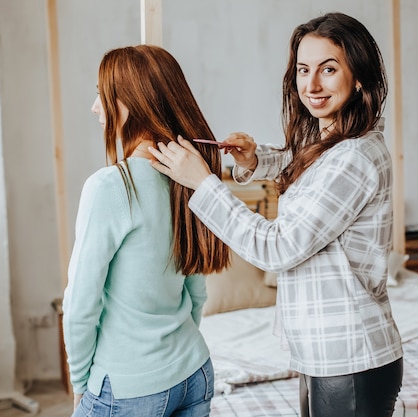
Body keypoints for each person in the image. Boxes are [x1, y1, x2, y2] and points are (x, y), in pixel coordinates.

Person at [149, 12, 403, 417]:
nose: (312, 84)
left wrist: (204, 184)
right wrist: (252, 160)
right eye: (304, 70)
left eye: (329, 69)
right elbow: (299, 161)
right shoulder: (334, 143)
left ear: (359, 77)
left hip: (350, 357)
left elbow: (278, 248)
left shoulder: (354, 158)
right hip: (327, 354)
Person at [62, 44, 230, 417]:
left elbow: (79, 306)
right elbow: (196, 291)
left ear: (130, 103)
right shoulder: (188, 175)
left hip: (128, 388)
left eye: (100, 95)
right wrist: (173, 354)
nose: (94, 107)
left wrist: (79, 384)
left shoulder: (109, 187)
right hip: (193, 369)